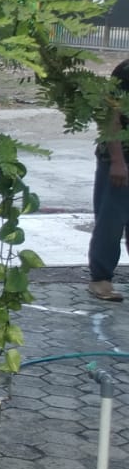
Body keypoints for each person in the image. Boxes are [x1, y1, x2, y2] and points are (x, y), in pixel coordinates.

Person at [88, 58, 129, 301]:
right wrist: (117, 161)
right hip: (119, 158)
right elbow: (110, 115)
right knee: (111, 221)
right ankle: (101, 278)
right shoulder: (125, 72)